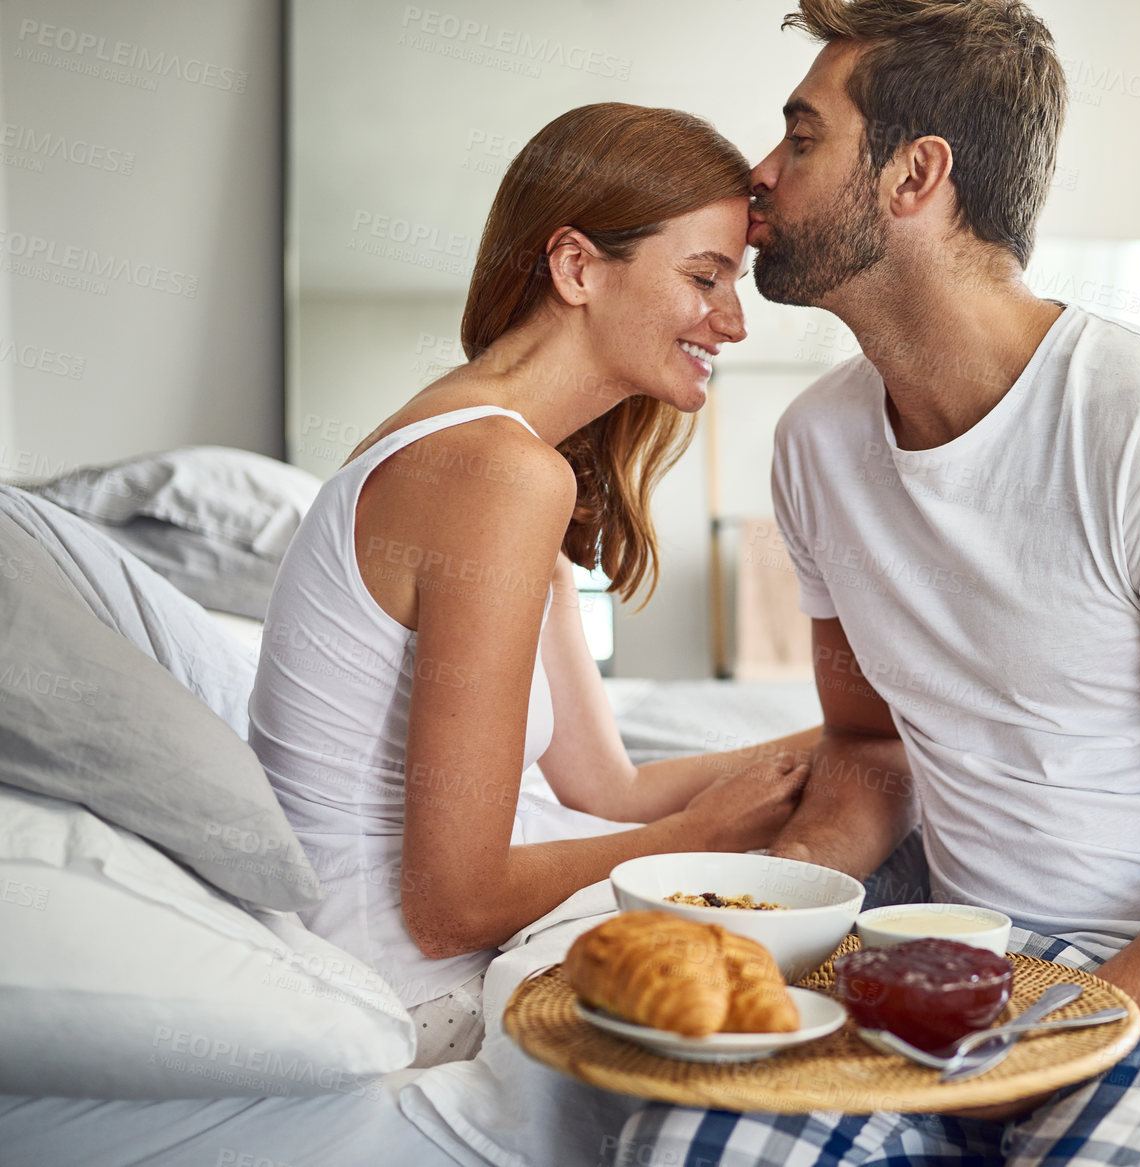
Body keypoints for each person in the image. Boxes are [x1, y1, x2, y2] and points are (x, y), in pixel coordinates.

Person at [614, 1, 1140, 1163]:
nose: (759, 177)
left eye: (802, 137)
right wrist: (757, 915)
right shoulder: (815, 446)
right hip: (964, 937)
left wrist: (1054, 1032)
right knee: (688, 1146)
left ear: (914, 175)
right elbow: (868, 749)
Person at [248, 104, 816, 1068]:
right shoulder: (496, 472)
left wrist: (854, 729)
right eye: (704, 276)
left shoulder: (496, 457)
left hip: (420, 946)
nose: (734, 320)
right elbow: (450, 907)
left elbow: (607, 786)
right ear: (576, 267)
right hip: (403, 984)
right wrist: (695, 837)